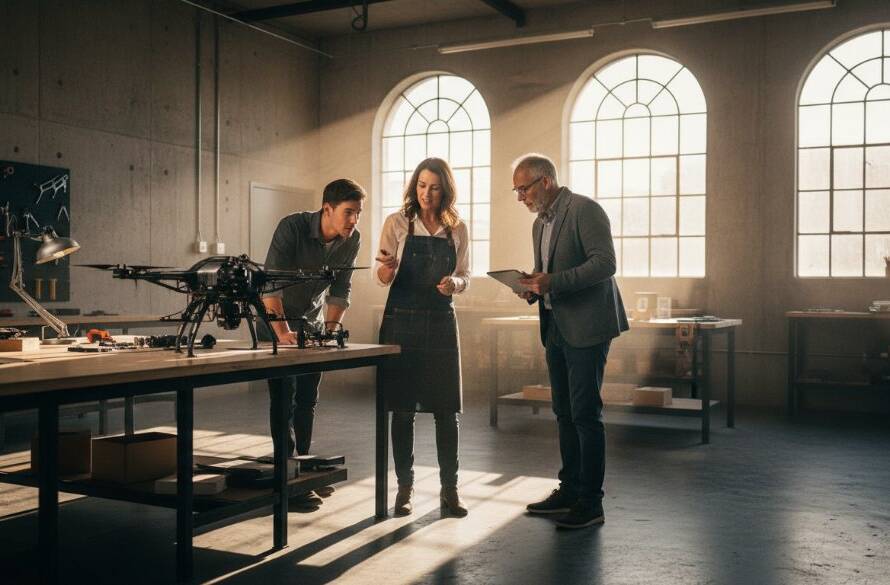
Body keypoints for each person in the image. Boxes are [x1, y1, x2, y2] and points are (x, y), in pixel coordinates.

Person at [512, 153, 628, 529]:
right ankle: (570, 489)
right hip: (556, 324)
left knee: (585, 415)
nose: (520, 198)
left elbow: (606, 263)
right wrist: (533, 287)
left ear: (545, 181)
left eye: (523, 188)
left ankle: (591, 503)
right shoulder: (538, 226)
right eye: (516, 191)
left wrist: (553, 282)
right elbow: (551, 275)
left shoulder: (585, 209)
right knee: (563, 412)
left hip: (588, 326)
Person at [375, 157, 471, 518]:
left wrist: (454, 284)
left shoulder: (457, 228)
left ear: (444, 189)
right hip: (401, 321)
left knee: (447, 412)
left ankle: (450, 491)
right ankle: (405, 489)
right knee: (402, 411)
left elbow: (465, 274)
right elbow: (381, 275)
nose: (426, 194)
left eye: (433, 187)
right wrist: (386, 270)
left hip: (441, 321)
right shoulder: (396, 223)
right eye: (420, 186)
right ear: (413, 187)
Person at [261, 178, 365, 508]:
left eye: (358, 213)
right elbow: (271, 286)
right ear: (327, 209)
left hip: (312, 322)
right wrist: (282, 334)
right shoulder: (291, 228)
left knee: (307, 399)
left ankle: (302, 472)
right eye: (349, 213)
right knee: (284, 401)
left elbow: (341, 289)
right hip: (276, 321)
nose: (354, 220)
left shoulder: (352, 239)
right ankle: (287, 481)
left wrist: (332, 329)